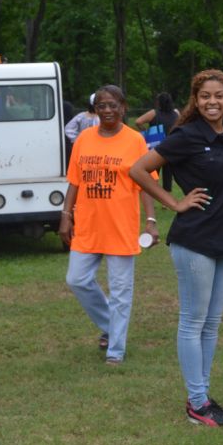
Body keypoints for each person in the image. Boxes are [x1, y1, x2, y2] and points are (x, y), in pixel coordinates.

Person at [130, 69, 223, 428]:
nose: (213, 102)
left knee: (212, 323)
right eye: (205, 96)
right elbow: (138, 170)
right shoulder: (185, 135)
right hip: (195, 238)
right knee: (193, 321)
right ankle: (197, 403)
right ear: (195, 101)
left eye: (219, 96)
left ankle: (201, 396)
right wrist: (174, 203)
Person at [59, 86, 157, 367]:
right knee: (76, 280)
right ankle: (110, 325)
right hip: (89, 225)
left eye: (112, 105)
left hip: (120, 225)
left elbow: (146, 183)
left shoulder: (135, 140)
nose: (107, 110)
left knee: (120, 290)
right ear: (95, 109)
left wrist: (150, 221)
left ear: (123, 107)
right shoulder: (84, 139)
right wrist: (66, 215)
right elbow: (75, 181)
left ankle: (116, 350)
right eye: (101, 105)